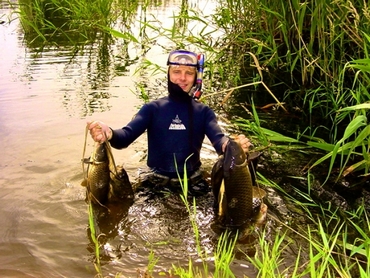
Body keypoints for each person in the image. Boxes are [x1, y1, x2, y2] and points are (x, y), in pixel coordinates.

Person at [88, 49, 251, 195]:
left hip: (193, 182)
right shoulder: (153, 109)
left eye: (189, 73)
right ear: (168, 74)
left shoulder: (204, 112)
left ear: (196, 77)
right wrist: (108, 132)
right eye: (177, 71)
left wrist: (232, 145)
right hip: (154, 181)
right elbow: (124, 137)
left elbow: (219, 140)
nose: (182, 77)